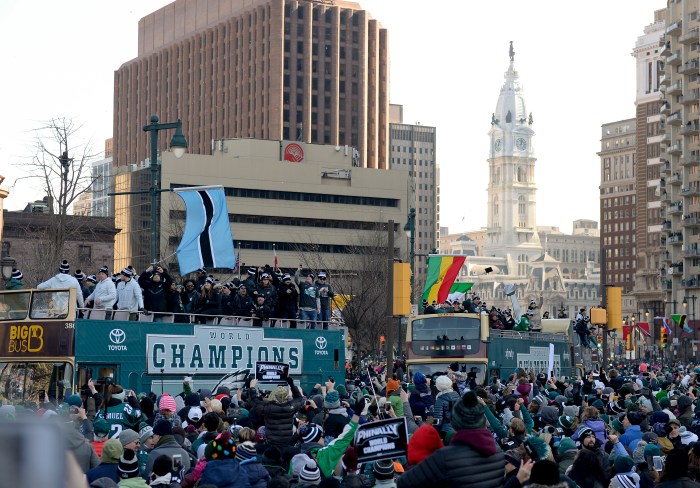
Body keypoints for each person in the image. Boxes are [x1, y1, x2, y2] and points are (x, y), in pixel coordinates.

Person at [396, 391, 504, 487]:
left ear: (455, 422)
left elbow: (403, 483)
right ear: (482, 421)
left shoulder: (445, 457)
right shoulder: (498, 452)